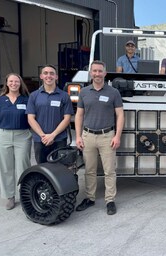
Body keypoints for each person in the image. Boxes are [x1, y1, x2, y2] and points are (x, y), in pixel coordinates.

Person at [75, 60, 124, 215]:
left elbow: (120, 115)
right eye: (94, 71)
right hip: (88, 136)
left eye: (100, 71)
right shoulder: (84, 92)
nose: (97, 74)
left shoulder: (113, 92)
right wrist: (78, 136)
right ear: (91, 73)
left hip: (107, 136)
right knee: (89, 170)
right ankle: (90, 198)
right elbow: (79, 115)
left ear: (105, 73)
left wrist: (117, 136)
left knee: (109, 171)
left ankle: (110, 200)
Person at [0, 73, 32, 210]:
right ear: (7, 83)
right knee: (6, 167)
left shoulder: (26, 100)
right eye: (11, 81)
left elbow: (31, 118)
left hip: (22, 135)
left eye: (17, 81)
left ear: (20, 84)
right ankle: (10, 196)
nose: (14, 84)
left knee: (23, 166)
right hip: (3, 135)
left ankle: (25, 195)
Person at [26, 65, 73, 164]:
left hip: (59, 139)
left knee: (61, 168)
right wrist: (43, 135)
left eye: (52, 73)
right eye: (45, 73)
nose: (49, 76)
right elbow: (30, 118)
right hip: (40, 139)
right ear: (41, 76)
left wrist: (53, 135)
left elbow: (67, 118)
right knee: (42, 168)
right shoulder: (33, 96)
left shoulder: (64, 96)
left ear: (56, 77)